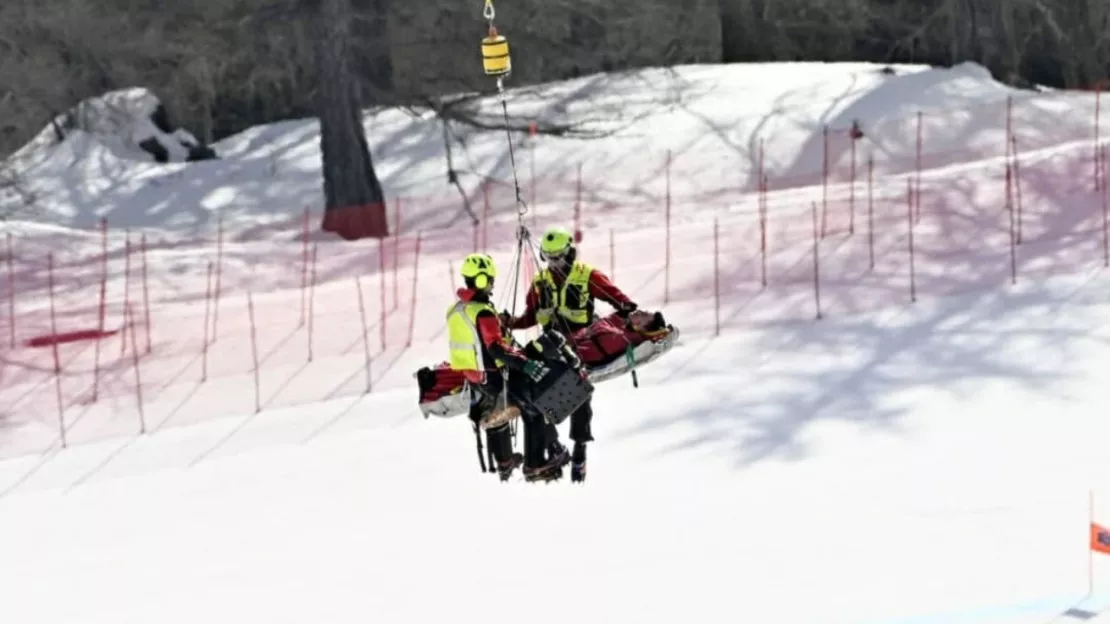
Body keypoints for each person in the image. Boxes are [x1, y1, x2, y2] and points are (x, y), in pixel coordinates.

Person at [505, 226, 652, 483]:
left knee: (580, 392)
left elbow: (616, 298)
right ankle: (551, 445)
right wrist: (510, 323)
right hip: (550, 345)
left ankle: (580, 447)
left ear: (570, 254)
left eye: (558, 258)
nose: (553, 264)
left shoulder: (587, 276)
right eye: (548, 259)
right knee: (534, 394)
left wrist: (629, 311)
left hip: (581, 340)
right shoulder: (541, 283)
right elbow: (530, 316)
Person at [447, 252, 571, 482]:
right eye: (490, 279)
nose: (493, 285)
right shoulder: (483, 312)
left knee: (524, 401)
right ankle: (541, 459)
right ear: (482, 280)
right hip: (493, 377)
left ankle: (507, 461)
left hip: (475, 378)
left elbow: (476, 342)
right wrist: (526, 365)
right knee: (534, 405)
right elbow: (495, 349)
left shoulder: (457, 309)